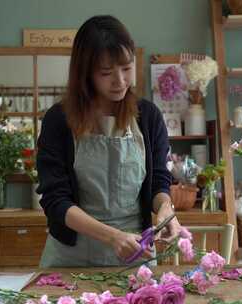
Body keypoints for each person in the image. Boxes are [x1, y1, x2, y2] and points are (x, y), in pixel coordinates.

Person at [36, 15, 181, 267]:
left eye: (126, 68)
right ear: (85, 73)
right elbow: (55, 201)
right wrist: (112, 237)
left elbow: (159, 179)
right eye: (106, 72)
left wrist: (166, 209)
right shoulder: (58, 120)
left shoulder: (148, 117)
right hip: (71, 255)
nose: (120, 81)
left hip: (135, 251)